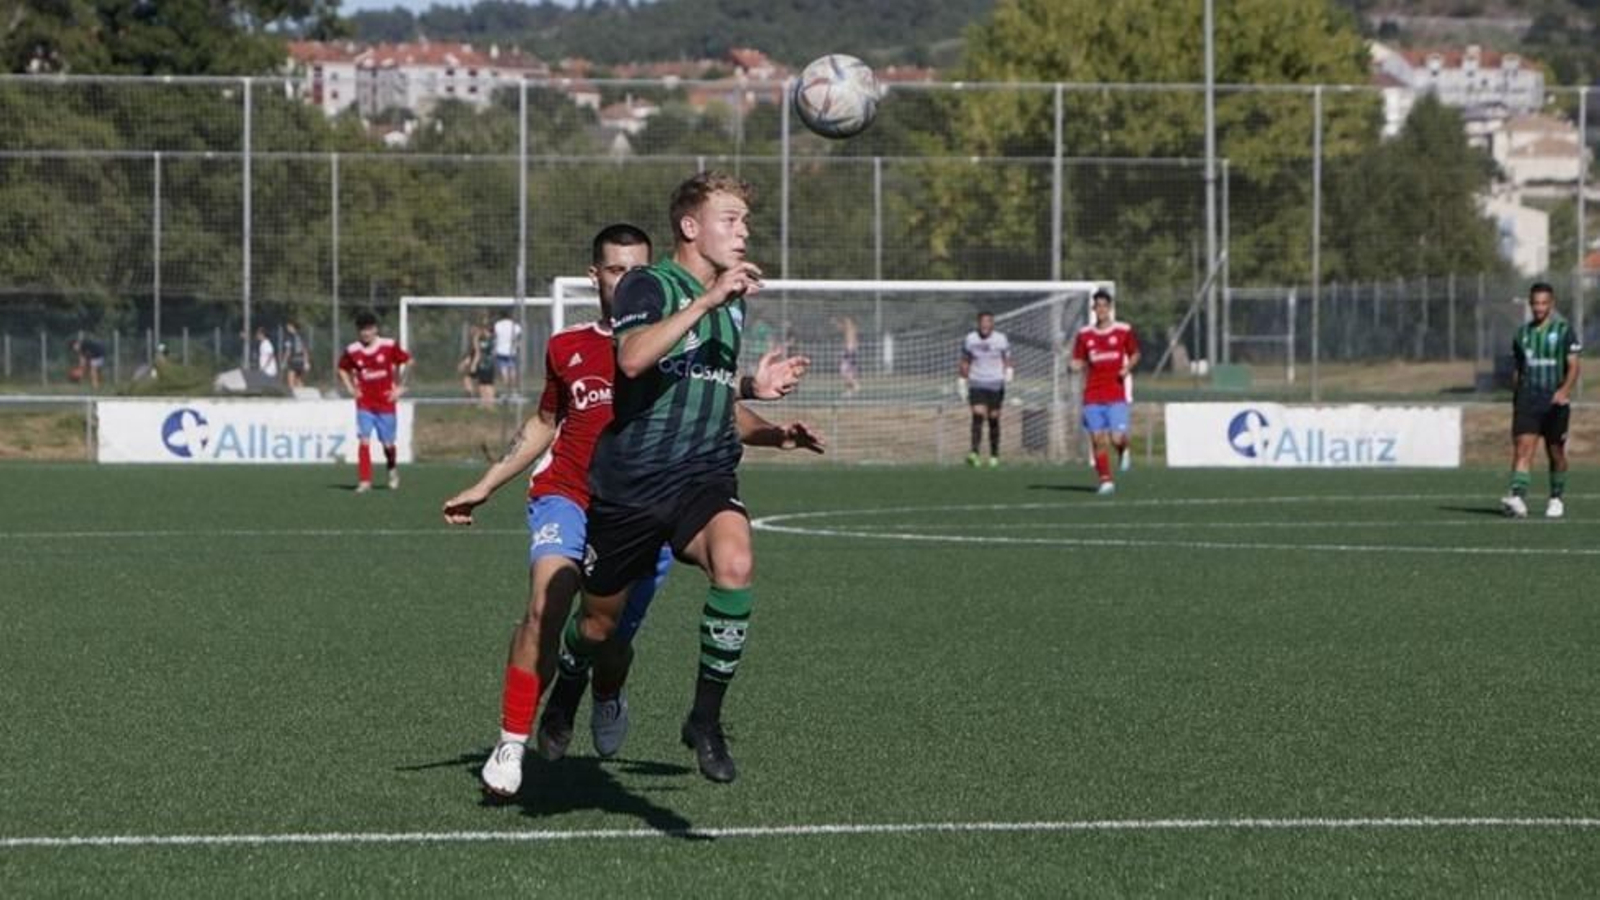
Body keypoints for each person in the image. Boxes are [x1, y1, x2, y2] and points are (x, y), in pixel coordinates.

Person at [445, 223, 815, 798]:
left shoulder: (678, 333)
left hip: (646, 499)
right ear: (595, 275)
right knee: (547, 603)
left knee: (606, 636)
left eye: (638, 270)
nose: (630, 281)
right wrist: (485, 484)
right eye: (617, 270)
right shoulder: (568, 347)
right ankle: (511, 740)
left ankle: (596, 689)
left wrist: (771, 430)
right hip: (569, 494)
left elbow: (712, 407)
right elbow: (546, 422)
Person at [556, 171, 780, 785]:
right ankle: (569, 682)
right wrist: (708, 300)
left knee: (735, 565)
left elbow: (710, 396)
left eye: (745, 222)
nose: (743, 232)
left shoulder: (731, 304)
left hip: (702, 477)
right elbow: (631, 360)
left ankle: (704, 721)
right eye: (730, 219)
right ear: (690, 226)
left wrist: (766, 410)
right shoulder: (648, 284)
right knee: (598, 627)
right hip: (631, 484)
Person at [1501, 282, 1581, 519]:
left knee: (1555, 451)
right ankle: (1518, 497)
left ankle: (1556, 497)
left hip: (1555, 401)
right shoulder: (1521, 334)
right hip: (1528, 399)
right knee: (1523, 448)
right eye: (1535, 303)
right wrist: (1516, 397)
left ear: (1551, 304)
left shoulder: (1564, 330)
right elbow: (1518, 369)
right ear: (1530, 304)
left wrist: (1564, 391)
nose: (1539, 308)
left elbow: (1574, 366)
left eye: (1544, 303)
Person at [1071, 289, 1141, 495]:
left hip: (1116, 394)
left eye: (1104, 305)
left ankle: (1123, 449)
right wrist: (1073, 365)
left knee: (1116, 438)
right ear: (1093, 309)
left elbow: (1135, 353)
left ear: (1110, 308)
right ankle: (1105, 480)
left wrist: (1127, 368)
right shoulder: (1085, 335)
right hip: (1092, 395)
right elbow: (1078, 359)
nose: (1101, 309)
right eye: (1097, 306)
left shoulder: (1123, 330)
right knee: (1097, 439)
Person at [337, 310, 411, 493]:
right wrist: (350, 388)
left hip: (386, 403)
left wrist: (400, 387)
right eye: (362, 329)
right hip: (365, 403)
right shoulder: (353, 350)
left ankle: (392, 469)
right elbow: (342, 368)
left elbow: (408, 361)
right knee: (364, 440)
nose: (366, 333)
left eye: (369, 329)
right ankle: (364, 481)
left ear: (375, 329)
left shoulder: (388, 345)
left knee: (387, 444)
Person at [958, 311, 1012, 467]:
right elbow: (965, 360)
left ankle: (994, 455)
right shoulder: (970, 339)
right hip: (977, 382)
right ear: (978, 323)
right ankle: (974, 453)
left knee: (993, 418)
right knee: (978, 414)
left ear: (992, 324)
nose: (985, 325)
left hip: (995, 383)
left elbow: (1007, 358)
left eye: (988, 322)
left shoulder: (1001, 339)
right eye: (982, 322)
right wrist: (962, 380)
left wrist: (1009, 370)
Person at [493, 311, 522, 388]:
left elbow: (495, 336)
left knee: (503, 369)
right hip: (512, 350)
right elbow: (518, 336)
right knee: (512, 368)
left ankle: (506, 387)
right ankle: (513, 387)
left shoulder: (498, 325)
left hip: (500, 350)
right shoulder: (515, 325)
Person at [834, 315, 860, 397]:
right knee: (849, 372)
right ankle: (849, 391)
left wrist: (835, 321)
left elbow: (841, 328)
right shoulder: (850, 329)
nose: (845, 323)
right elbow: (841, 328)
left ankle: (855, 385)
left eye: (847, 321)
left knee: (844, 370)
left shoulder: (851, 329)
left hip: (850, 351)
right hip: (849, 351)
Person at [282, 321, 311, 390]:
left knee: (290, 381)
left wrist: (284, 361)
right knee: (298, 380)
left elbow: (288, 351)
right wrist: (306, 362)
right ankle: (304, 396)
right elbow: (305, 350)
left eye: (288, 327)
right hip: (301, 360)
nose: (287, 328)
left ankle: (293, 395)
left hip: (293, 360)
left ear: (292, 327)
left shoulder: (289, 337)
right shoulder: (302, 336)